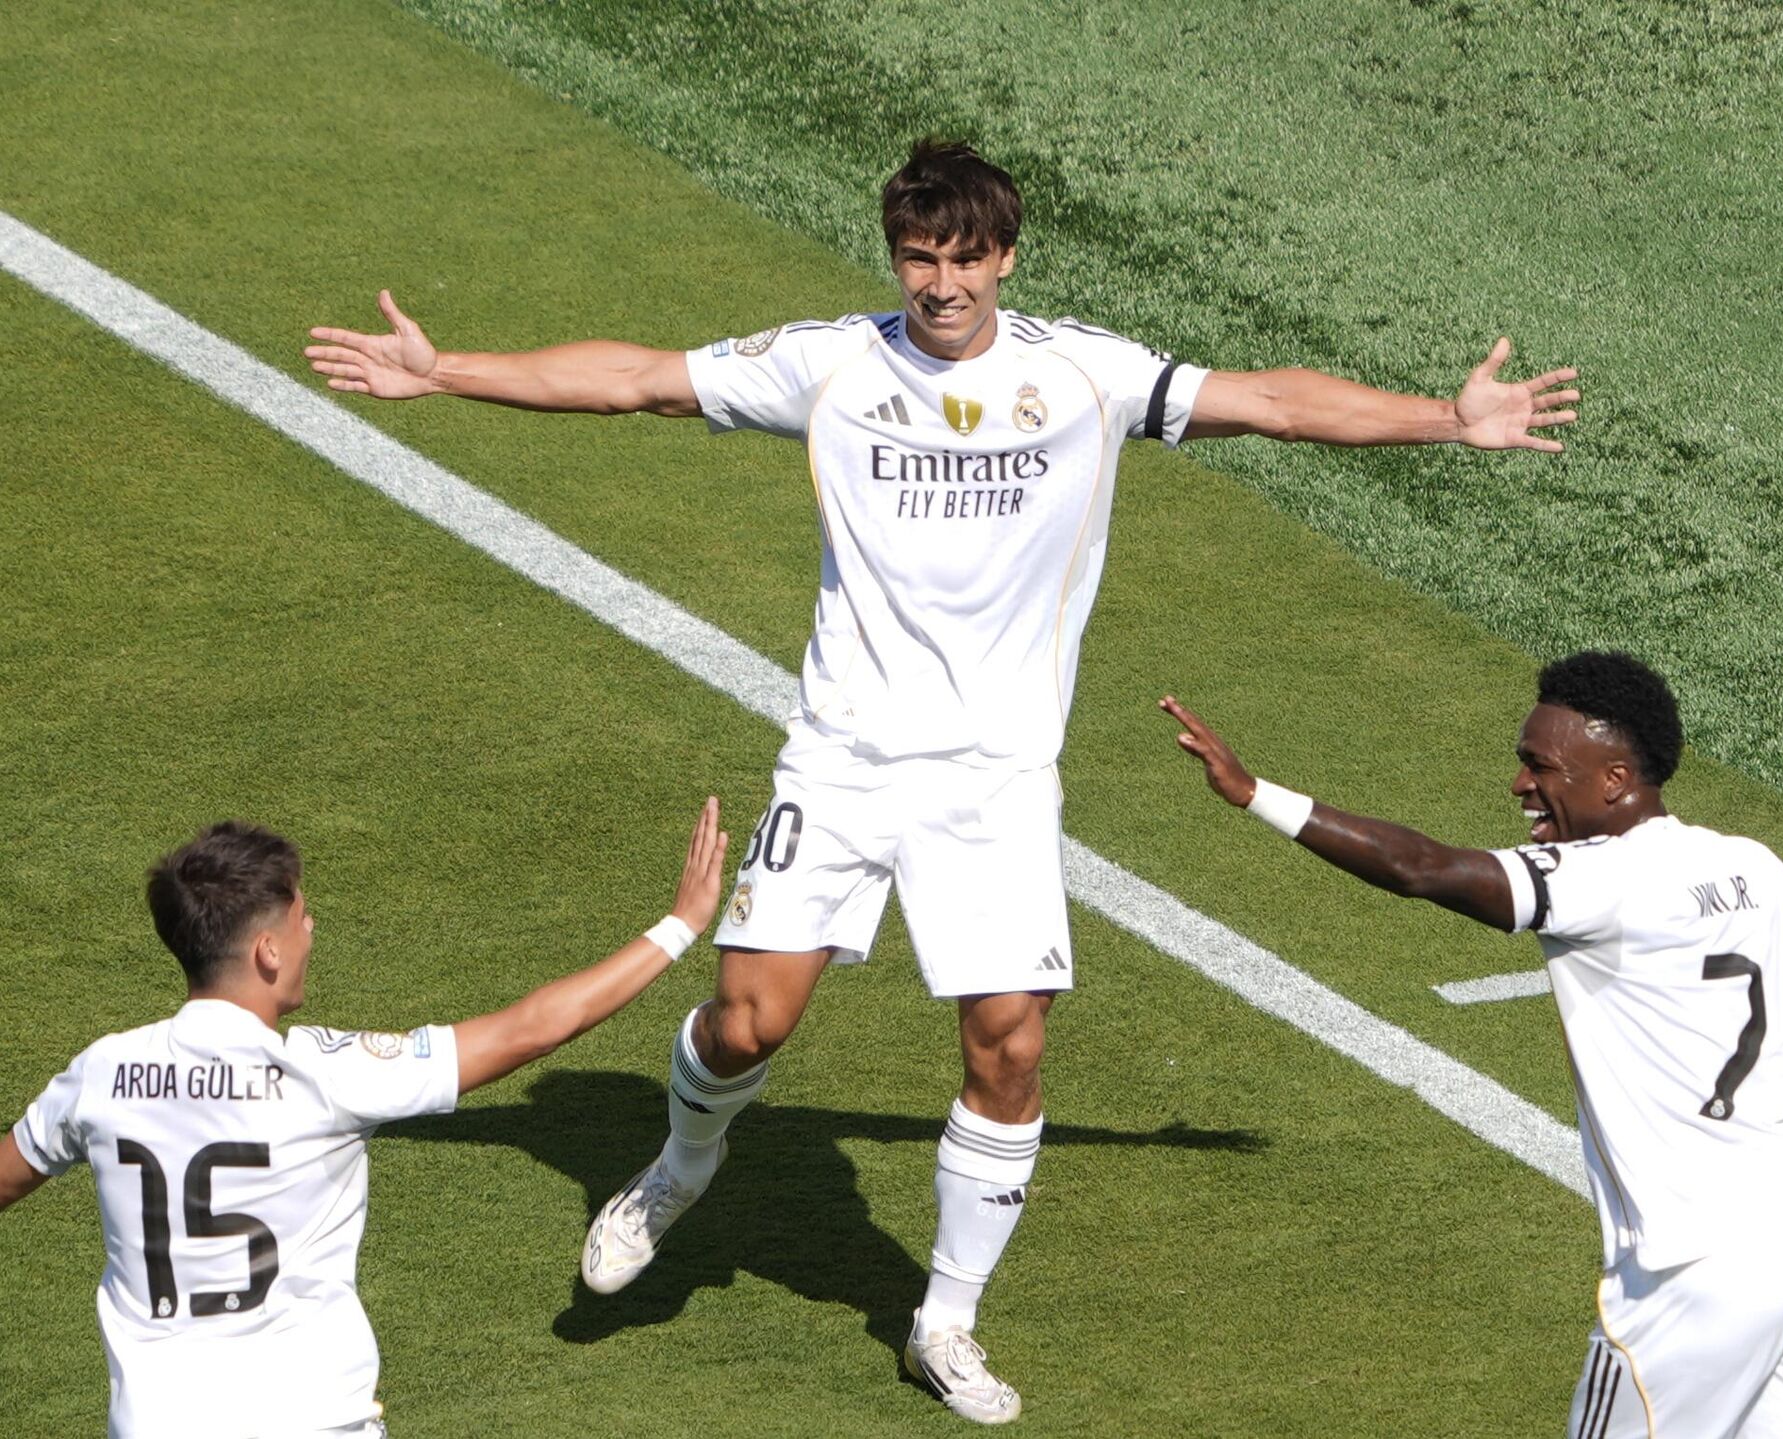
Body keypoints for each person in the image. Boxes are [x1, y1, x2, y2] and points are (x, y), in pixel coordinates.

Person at [303, 138, 1579, 1424]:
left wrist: (1448, 418)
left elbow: (1273, 400)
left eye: (966, 259)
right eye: (920, 258)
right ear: (895, 256)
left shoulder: (1083, 373)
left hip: (996, 779)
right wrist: (444, 370)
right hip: (843, 756)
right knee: (747, 1022)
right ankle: (681, 1165)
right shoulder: (833, 364)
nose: (942, 284)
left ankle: (944, 1321)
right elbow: (640, 380)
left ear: (1007, 257)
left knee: (1009, 1044)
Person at [1161, 651, 1783, 1438]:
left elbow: (1421, 868)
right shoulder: (1749, 864)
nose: (1519, 784)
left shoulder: (1602, 878)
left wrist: (1254, 792)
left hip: (1690, 1277)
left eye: (1540, 766)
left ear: (1614, 779)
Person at [0, 798, 727, 1439]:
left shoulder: (102, 1073)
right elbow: (530, 1029)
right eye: (300, 914)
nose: (311, 926)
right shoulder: (322, 1073)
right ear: (267, 950)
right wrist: (680, 925)